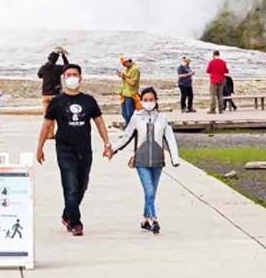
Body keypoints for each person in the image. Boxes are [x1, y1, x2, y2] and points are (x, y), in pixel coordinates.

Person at [36, 64, 112, 237]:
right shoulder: (57, 102)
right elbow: (46, 125)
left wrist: (107, 143)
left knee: (82, 186)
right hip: (65, 150)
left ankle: (66, 214)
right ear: (63, 78)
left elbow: (99, 122)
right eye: (68, 74)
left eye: (75, 74)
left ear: (80, 78)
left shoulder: (88, 101)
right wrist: (39, 147)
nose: (71, 77)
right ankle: (75, 222)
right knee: (70, 186)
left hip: (85, 149)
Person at [111, 87, 180, 234]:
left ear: (156, 101)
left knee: (151, 193)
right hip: (141, 161)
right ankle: (153, 219)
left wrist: (175, 158)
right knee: (148, 190)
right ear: (141, 101)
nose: (149, 102)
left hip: (158, 161)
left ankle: (144, 219)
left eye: (151, 100)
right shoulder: (136, 118)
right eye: (146, 100)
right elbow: (126, 137)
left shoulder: (162, 118)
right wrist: (112, 149)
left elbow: (170, 139)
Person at [37, 47, 69, 138]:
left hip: (45, 94)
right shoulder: (57, 68)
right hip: (55, 94)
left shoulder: (43, 68)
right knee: (56, 116)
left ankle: (48, 134)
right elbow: (67, 67)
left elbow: (39, 75)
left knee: (47, 116)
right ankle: (54, 133)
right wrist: (63, 56)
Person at [118, 57, 141, 126]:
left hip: (131, 94)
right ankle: (128, 128)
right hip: (124, 94)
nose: (124, 65)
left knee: (130, 114)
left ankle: (130, 129)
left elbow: (133, 83)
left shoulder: (135, 69)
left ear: (128, 61)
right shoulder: (126, 70)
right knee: (124, 113)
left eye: (124, 63)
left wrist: (124, 77)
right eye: (122, 64)